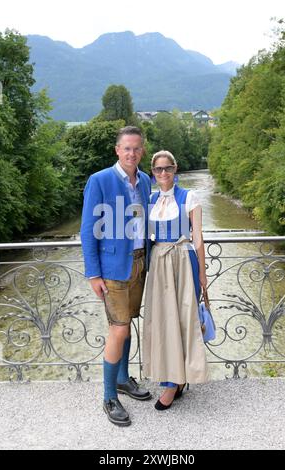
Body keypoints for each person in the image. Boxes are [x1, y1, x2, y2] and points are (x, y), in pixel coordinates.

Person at [81, 126, 152, 427]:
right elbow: (87, 229)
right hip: (111, 269)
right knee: (119, 330)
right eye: (126, 148)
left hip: (139, 263)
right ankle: (109, 395)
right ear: (117, 150)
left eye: (136, 148)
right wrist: (93, 273)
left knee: (127, 324)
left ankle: (123, 378)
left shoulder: (146, 181)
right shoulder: (100, 180)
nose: (131, 153)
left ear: (142, 151)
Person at [143, 150, 209, 410]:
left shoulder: (189, 197)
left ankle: (174, 384)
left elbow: (198, 238)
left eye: (167, 168)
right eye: (158, 169)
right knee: (163, 321)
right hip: (158, 262)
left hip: (183, 260)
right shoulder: (149, 199)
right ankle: (174, 379)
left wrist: (203, 275)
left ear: (175, 169)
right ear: (153, 172)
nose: (163, 173)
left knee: (183, 319)